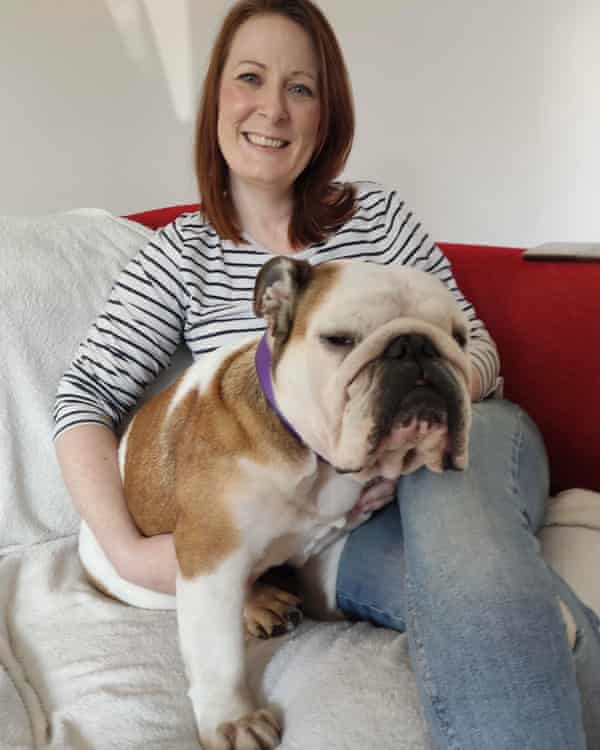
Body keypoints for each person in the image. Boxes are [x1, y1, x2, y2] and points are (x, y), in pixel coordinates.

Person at [54, 1, 600, 748]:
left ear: (326, 112)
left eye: (301, 88)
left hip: (461, 448)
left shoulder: (380, 214)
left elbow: (475, 347)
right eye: (250, 78)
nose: (273, 109)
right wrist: (126, 552)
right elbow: (83, 396)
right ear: (218, 95)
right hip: (319, 522)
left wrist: (424, 404)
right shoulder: (180, 255)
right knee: (507, 603)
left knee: (464, 539)